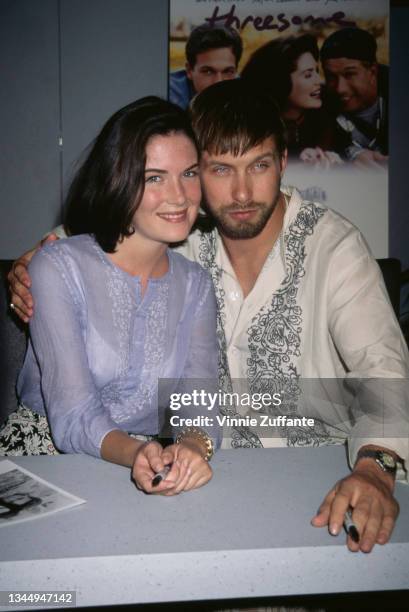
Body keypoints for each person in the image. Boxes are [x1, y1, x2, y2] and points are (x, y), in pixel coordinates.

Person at [8, 80, 409, 553]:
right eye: (219, 169)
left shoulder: (333, 247)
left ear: (283, 162)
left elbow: (382, 370)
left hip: (315, 468)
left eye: (259, 165)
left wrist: (375, 470)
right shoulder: (185, 236)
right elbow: (104, 229)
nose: (241, 192)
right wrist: (29, 261)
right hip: (197, 472)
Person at [1, 97, 220, 496]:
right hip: (44, 460)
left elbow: (199, 400)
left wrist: (192, 447)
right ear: (119, 178)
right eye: (154, 177)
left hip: (150, 458)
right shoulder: (58, 267)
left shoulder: (196, 285)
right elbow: (72, 416)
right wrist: (140, 452)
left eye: (189, 173)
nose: (180, 195)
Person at [241, 34, 341, 167]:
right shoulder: (252, 129)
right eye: (308, 75)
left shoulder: (330, 116)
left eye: (317, 72)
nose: (320, 80)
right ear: (280, 82)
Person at [321, 27, 388, 167]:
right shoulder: (318, 102)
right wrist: (352, 154)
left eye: (349, 74)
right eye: (331, 77)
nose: (340, 89)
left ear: (372, 72)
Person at [169, 23, 242, 110]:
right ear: (189, 70)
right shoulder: (169, 96)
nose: (218, 82)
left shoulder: (244, 93)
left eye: (228, 71)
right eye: (208, 71)